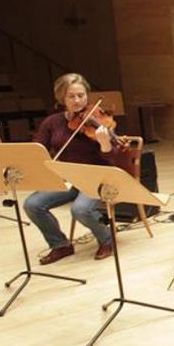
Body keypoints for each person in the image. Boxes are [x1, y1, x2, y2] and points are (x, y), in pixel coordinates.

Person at [24, 73, 126, 264]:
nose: (77, 100)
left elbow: (114, 158)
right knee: (32, 204)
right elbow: (38, 147)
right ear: (62, 98)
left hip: (97, 178)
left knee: (80, 210)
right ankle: (60, 245)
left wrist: (105, 144)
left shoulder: (98, 121)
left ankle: (106, 239)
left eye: (81, 95)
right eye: (72, 96)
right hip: (68, 177)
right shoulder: (52, 122)